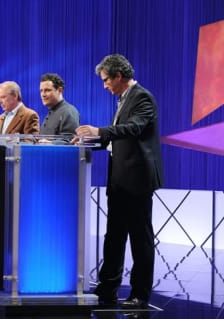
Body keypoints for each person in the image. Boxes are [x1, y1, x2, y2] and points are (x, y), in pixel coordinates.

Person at [74, 54, 163, 309]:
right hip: (119, 180)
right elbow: (116, 140)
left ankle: (140, 294)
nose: (104, 86)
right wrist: (87, 140)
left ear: (118, 76)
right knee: (113, 237)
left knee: (139, 239)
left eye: (106, 80)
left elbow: (133, 129)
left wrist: (99, 131)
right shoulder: (123, 99)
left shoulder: (142, 97)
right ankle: (108, 287)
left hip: (137, 180)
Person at [39, 73, 80, 137]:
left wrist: (51, 143)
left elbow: (69, 141)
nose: (43, 94)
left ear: (60, 90)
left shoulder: (68, 112)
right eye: (41, 91)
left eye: (47, 90)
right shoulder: (52, 112)